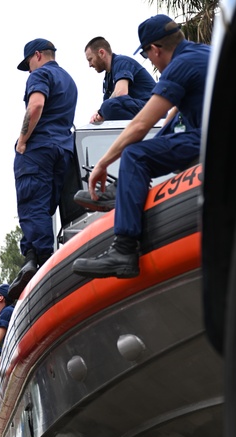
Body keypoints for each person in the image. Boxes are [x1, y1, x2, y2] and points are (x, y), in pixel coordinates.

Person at [73, 15, 210, 280]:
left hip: (209, 136)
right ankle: (124, 187)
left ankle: (124, 249)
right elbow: (172, 113)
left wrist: (102, 164)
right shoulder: (202, 53)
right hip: (222, 131)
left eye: (147, 55)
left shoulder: (179, 65)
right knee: (170, 126)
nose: (151, 62)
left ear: (155, 49)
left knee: (135, 154)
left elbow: (140, 126)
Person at [8, 38, 78, 303]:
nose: (29, 71)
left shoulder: (42, 74)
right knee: (46, 205)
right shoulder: (69, 81)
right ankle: (37, 257)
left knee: (32, 203)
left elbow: (35, 105)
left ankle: (38, 262)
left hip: (40, 149)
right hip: (63, 151)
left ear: (37, 56)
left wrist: (23, 140)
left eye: (28, 64)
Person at [84, 36, 155, 125]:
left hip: (151, 107)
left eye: (90, 59)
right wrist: (98, 114)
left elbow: (121, 92)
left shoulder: (121, 62)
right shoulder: (108, 78)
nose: (90, 65)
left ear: (101, 53)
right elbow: (106, 103)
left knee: (108, 107)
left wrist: (101, 111)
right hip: (136, 109)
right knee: (105, 112)